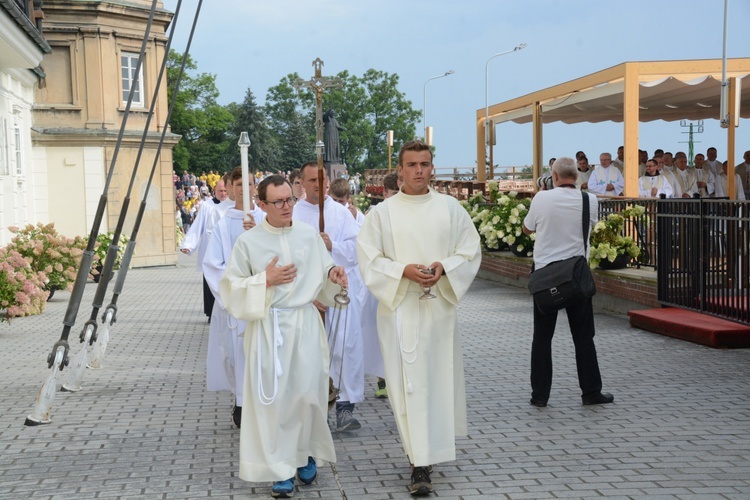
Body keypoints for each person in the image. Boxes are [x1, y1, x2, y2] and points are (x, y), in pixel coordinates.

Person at [357, 140, 481, 496]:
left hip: (439, 309)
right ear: (399, 170)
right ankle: (418, 461)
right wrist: (403, 271)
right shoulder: (381, 213)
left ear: (433, 168)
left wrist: (445, 267)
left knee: (436, 381)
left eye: (424, 164)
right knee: (407, 384)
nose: (418, 171)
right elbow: (369, 259)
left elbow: (469, 251)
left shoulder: (450, 208)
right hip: (400, 309)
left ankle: (427, 456)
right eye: (411, 165)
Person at [219, 174, 348, 498]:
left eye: (290, 198)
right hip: (269, 330)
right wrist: (266, 279)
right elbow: (230, 290)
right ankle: (280, 470)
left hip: (304, 325)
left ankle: (303, 454)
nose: (287, 206)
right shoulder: (248, 243)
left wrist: (334, 275)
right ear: (261, 205)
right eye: (278, 201)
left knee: (306, 397)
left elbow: (324, 280)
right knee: (274, 402)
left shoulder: (308, 236)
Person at [523, 156, 613, 408]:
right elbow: (589, 226)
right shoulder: (589, 200)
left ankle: (540, 396)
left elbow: (527, 229)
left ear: (553, 175)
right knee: (583, 337)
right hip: (576, 277)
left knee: (542, 338)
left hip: (545, 277)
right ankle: (591, 392)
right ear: (577, 176)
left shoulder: (541, 198)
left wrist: (541, 194)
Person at [294, 162, 365, 433]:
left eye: (321, 181)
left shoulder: (340, 213)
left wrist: (331, 245)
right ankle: (316, 407)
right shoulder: (294, 214)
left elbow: (358, 247)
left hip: (340, 293)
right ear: (301, 182)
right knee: (312, 353)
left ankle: (345, 407)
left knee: (344, 347)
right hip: (308, 297)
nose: (317, 185)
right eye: (311, 180)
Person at [203, 168, 265, 428]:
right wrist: (232, 293)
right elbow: (213, 264)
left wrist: (258, 233)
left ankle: (260, 402)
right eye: (239, 184)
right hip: (233, 303)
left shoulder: (265, 219)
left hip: (263, 299)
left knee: (260, 353)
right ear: (230, 187)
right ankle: (240, 401)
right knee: (234, 355)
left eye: (249, 183)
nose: (244, 189)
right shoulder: (222, 223)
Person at [180, 177, 230, 320]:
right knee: (210, 282)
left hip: (227, 251)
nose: (223, 193)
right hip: (210, 250)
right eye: (220, 190)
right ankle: (210, 313)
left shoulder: (232, 206)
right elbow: (198, 226)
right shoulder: (207, 206)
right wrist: (188, 245)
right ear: (214, 191)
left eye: (225, 190)